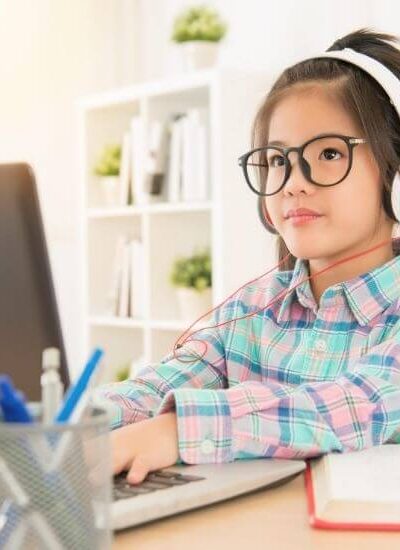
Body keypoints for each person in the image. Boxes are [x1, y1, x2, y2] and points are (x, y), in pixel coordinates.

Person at [93, 27, 400, 486]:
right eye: (278, 160)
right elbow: (165, 382)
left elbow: (352, 406)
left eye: (329, 152)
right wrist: (70, 421)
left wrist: (178, 431)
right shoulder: (255, 309)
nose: (294, 181)